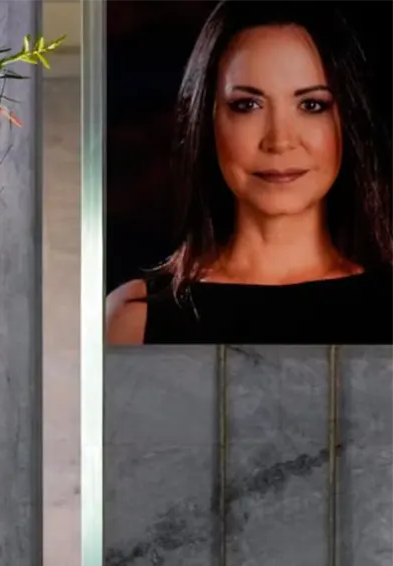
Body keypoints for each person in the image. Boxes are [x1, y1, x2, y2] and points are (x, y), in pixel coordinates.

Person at [105, 0, 393, 345]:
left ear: (347, 121)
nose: (280, 140)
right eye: (248, 105)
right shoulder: (133, 320)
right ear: (207, 121)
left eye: (311, 105)